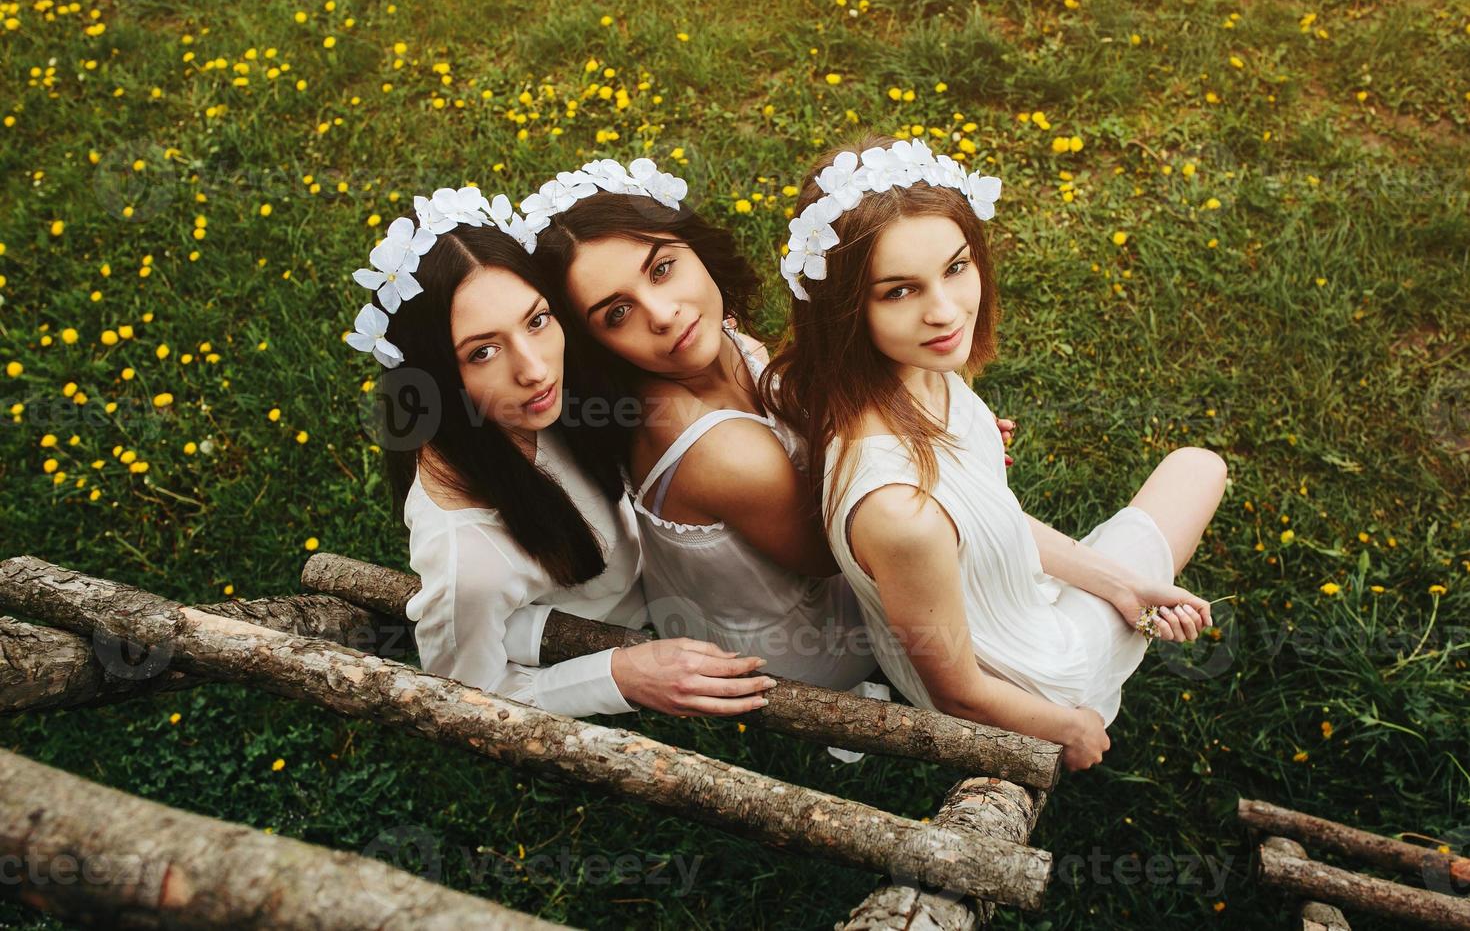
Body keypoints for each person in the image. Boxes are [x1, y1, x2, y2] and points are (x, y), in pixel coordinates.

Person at [761, 135, 1228, 771]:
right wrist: (1072, 728)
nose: (946, 311)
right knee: (1198, 469)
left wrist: (1122, 587)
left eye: (956, 267)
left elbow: (988, 518)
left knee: (1183, 492)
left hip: (1018, 603)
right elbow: (960, 694)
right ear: (845, 310)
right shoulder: (901, 514)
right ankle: (1099, 656)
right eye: (899, 291)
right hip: (1032, 683)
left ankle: (1116, 593)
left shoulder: (902, 373)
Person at [344, 185, 776, 719]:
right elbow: (467, 695)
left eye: (537, 320)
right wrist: (620, 675)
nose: (535, 369)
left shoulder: (554, 396)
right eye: (482, 352)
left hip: (672, 576)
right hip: (617, 626)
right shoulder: (470, 563)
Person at [521, 158, 879, 691]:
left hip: (708, 602)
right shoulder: (720, 450)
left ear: (694, 247)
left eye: (661, 268)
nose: (662, 314)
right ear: (593, 343)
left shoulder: (713, 344)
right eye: (616, 313)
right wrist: (919, 438)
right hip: (804, 645)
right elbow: (840, 557)